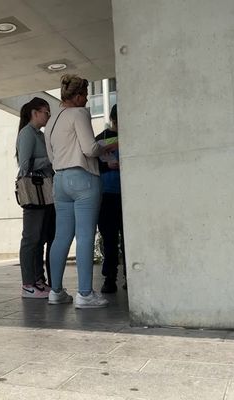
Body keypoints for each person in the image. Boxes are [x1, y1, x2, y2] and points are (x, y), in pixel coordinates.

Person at [44, 74, 116, 309]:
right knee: (85, 235)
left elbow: (52, 156)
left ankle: (55, 291)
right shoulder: (79, 113)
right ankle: (85, 294)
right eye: (84, 95)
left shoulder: (52, 120)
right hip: (83, 178)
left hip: (60, 180)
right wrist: (114, 143)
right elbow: (90, 148)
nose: (86, 99)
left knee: (61, 236)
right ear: (76, 96)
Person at [16, 97, 55, 299]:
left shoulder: (39, 134)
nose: (48, 115)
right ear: (35, 112)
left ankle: (38, 280)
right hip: (33, 190)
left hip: (45, 191)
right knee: (30, 237)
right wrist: (50, 159)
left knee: (40, 237)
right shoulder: (27, 134)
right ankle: (28, 283)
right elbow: (24, 165)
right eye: (46, 112)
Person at [96, 105, 126, 293]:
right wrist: (108, 166)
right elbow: (92, 164)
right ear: (114, 119)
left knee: (128, 239)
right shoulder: (100, 139)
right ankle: (110, 277)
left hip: (126, 194)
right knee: (109, 238)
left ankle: (129, 277)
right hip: (107, 194)